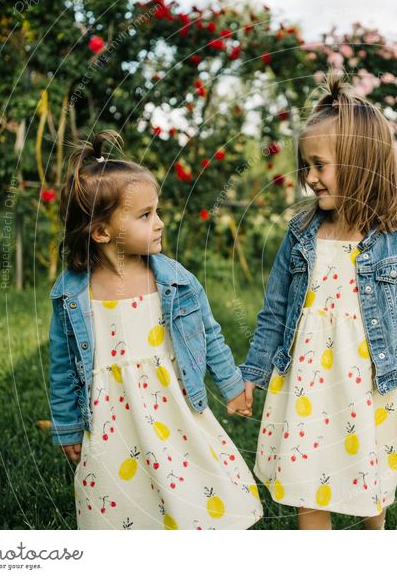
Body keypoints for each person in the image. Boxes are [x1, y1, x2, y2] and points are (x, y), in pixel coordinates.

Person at [240, 72, 397, 530]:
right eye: (306, 166)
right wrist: (252, 373)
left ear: (359, 163)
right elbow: (273, 313)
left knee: (368, 485)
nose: (308, 178)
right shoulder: (299, 236)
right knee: (308, 482)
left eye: (319, 165)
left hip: (366, 391)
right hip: (306, 388)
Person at [48, 130, 261, 529]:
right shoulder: (71, 296)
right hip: (112, 419)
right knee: (122, 496)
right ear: (101, 232)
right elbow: (61, 366)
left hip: (173, 407)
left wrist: (231, 386)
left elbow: (208, 333)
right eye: (146, 216)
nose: (160, 223)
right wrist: (66, 426)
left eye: (157, 211)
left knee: (194, 481)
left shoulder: (175, 281)